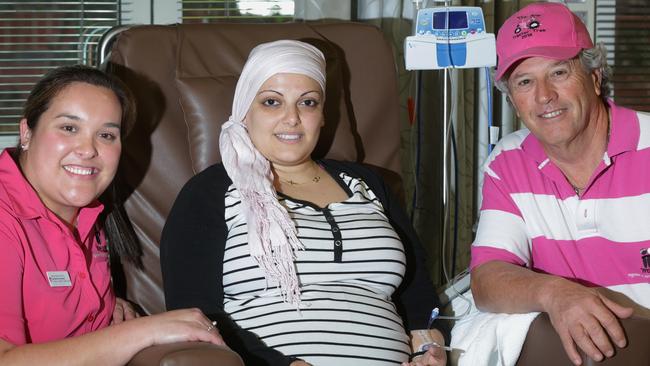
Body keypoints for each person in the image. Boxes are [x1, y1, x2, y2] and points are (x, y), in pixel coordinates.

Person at [160, 40, 448, 366]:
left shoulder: (369, 184)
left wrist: (428, 348)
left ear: (322, 116)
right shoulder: (210, 191)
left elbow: (416, 292)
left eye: (308, 103)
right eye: (271, 102)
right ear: (244, 111)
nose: (292, 118)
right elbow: (193, 313)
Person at [0, 65, 225, 365]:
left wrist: (103, 306)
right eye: (69, 128)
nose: (88, 149)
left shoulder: (89, 217)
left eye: (106, 135)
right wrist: (145, 331)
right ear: (27, 132)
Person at [470, 2, 650, 366]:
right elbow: (487, 279)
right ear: (512, 100)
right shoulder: (507, 162)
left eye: (558, 73)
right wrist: (554, 293)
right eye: (524, 82)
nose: (544, 96)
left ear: (595, 76)